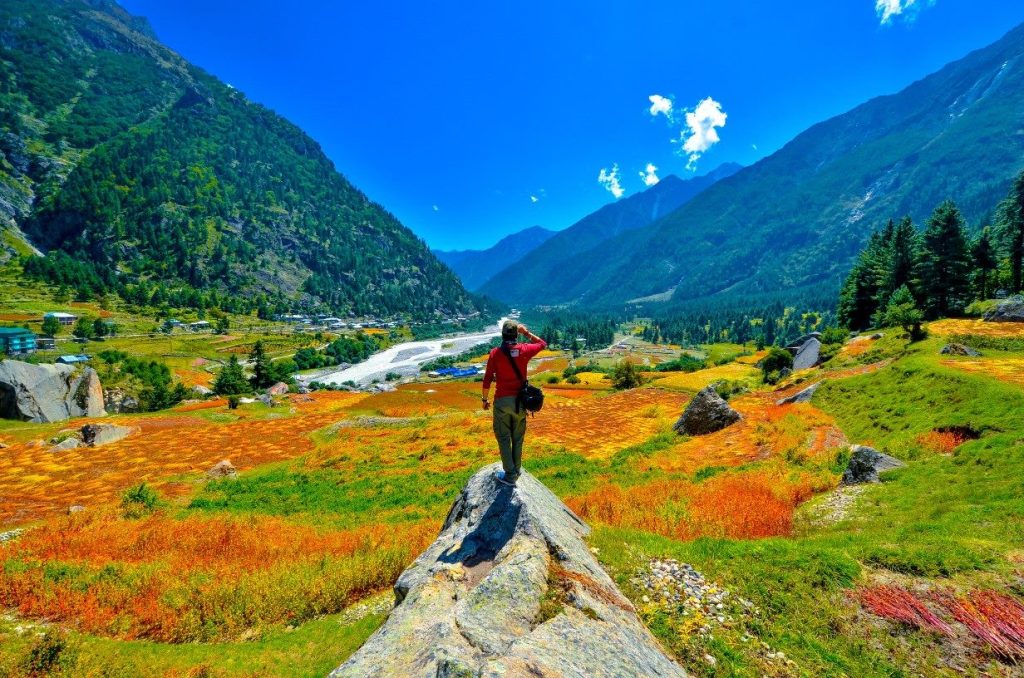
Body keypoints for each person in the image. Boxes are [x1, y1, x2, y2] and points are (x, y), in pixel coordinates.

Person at [481, 320, 547, 486]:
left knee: (503, 437)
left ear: (502, 335)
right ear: (516, 335)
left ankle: (510, 474)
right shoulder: (524, 350)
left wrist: (484, 399)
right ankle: (516, 471)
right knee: (518, 437)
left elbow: (487, 378)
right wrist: (526, 333)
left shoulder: (495, 353)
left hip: (502, 402)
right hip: (520, 403)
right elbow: (542, 343)